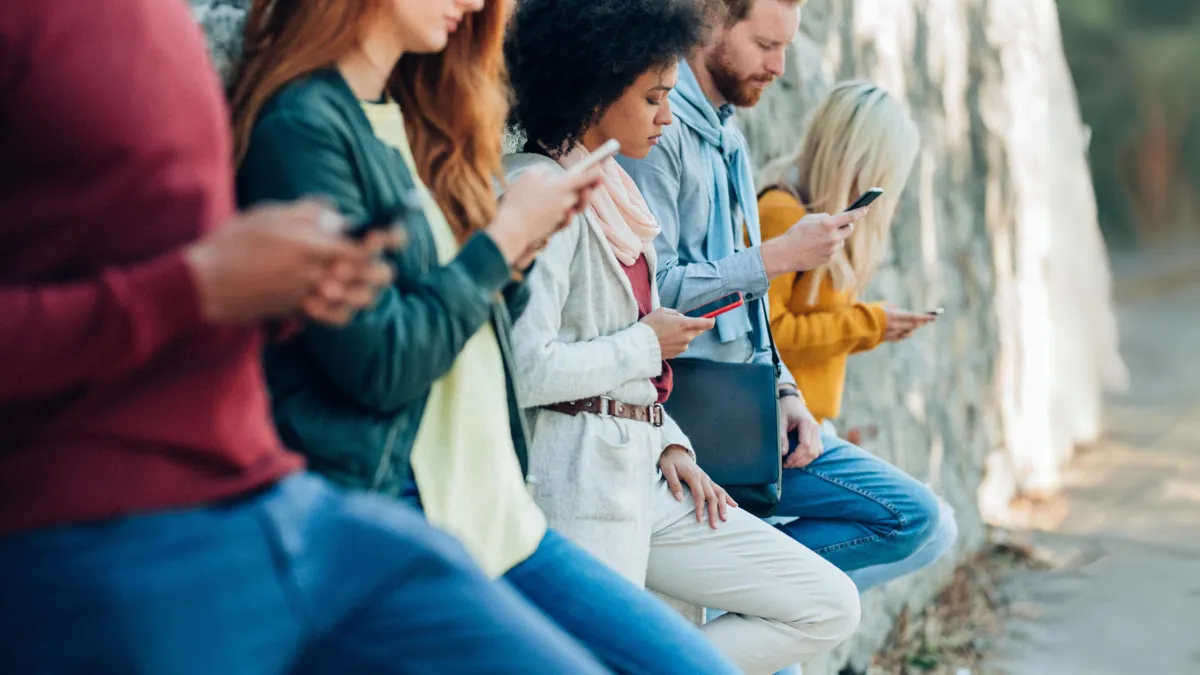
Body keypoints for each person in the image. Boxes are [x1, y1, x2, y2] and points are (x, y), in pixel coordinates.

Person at [0, 1, 616, 673]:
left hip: (284, 499)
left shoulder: (170, 25)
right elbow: (367, 352)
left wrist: (281, 288)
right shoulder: (298, 116)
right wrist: (198, 287)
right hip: (114, 529)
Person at [232, 0, 740, 672]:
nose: (475, 4)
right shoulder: (304, 129)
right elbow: (382, 361)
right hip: (413, 517)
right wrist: (503, 244)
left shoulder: (411, 124)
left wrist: (519, 251)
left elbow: (469, 327)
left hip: (500, 509)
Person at [503, 1, 861, 673]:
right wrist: (645, 345)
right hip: (579, 485)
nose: (666, 117)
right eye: (652, 98)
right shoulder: (537, 193)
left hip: (648, 466)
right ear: (594, 91)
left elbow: (615, 340)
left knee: (827, 602)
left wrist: (665, 436)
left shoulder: (610, 195)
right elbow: (524, 367)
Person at [618, 0, 943, 595]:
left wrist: (785, 388)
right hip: (691, 417)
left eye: (786, 47)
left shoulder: (728, 138)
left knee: (922, 523)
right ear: (711, 23)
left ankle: (741, 598)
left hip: (750, 407)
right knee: (914, 517)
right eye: (767, 46)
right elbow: (646, 295)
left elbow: (752, 308)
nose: (780, 66)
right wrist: (779, 256)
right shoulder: (658, 136)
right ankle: (742, 592)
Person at [758, 81, 959, 592]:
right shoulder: (784, 212)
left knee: (933, 528)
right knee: (920, 521)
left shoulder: (822, 220)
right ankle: (744, 586)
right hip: (774, 428)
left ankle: (756, 592)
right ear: (856, 158)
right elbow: (770, 330)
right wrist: (870, 324)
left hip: (804, 425)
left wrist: (874, 325)